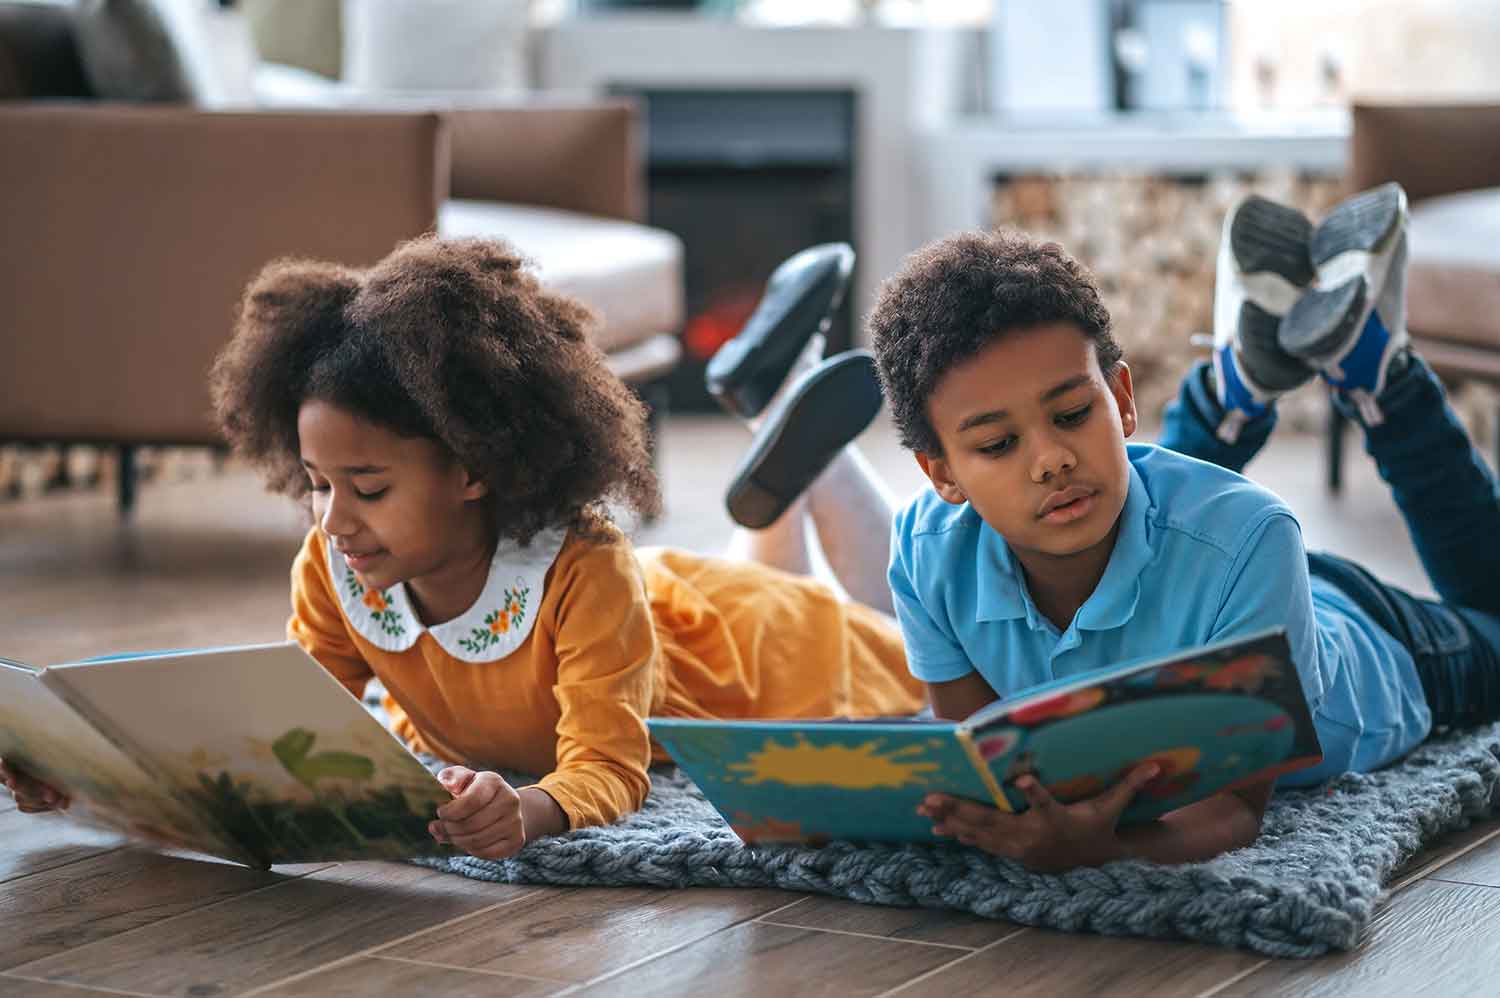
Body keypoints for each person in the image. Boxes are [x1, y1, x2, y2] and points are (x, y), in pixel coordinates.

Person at [0, 237, 924, 858]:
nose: (332, 520)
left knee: (906, 637)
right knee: (764, 567)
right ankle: (784, 408)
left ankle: (794, 410)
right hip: (671, 617)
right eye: (318, 484)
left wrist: (532, 809)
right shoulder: (339, 563)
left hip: (754, 661)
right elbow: (283, 724)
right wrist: (98, 777)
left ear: (474, 468)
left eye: (368, 489)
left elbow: (610, 765)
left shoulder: (581, 574)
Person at [870, 183, 1500, 872]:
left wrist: (1105, 849)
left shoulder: (1250, 539)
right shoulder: (926, 553)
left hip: (1387, 644)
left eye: (1075, 413)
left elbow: (1231, 810)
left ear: (1121, 398)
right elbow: (977, 761)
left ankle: (1380, 374)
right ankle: (1232, 386)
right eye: (997, 445)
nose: (1049, 459)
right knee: (1132, 498)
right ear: (942, 474)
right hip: (1213, 576)